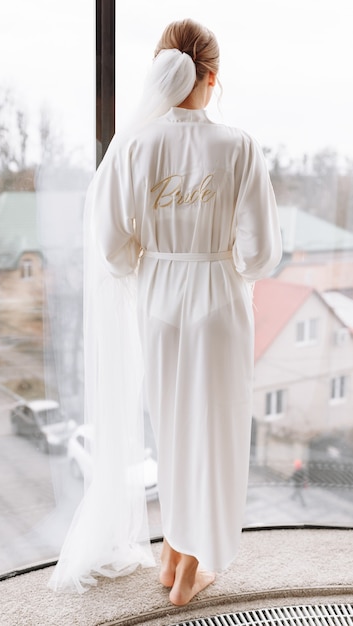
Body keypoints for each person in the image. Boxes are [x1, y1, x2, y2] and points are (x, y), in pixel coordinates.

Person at [48, 18, 282, 606]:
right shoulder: (238, 146)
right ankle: (190, 570)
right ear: (212, 77)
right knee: (217, 433)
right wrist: (221, 260)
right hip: (219, 297)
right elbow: (259, 253)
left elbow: (111, 246)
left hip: (158, 300)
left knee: (173, 430)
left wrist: (153, 266)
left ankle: (173, 554)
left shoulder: (133, 145)